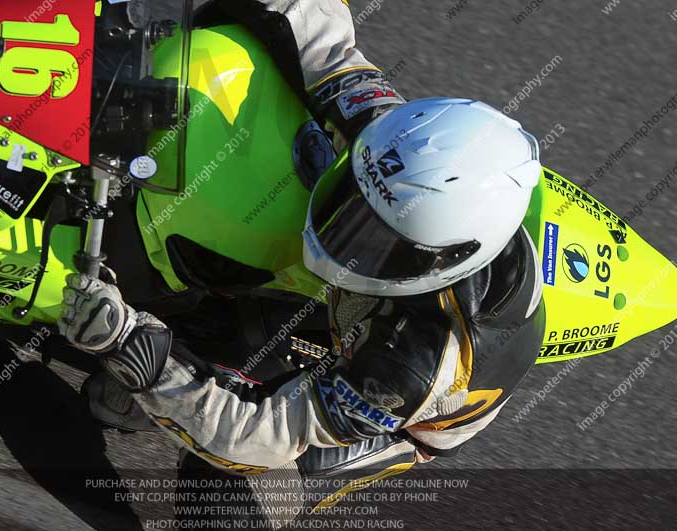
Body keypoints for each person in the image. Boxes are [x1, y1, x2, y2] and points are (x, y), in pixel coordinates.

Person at [59, 1, 546, 527]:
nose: (348, 234)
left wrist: (134, 353)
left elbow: (256, 437)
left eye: (376, 241)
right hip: (344, 305)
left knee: (241, 479)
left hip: (390, 409)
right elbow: (323, 43)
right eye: (352, 201)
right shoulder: (392, 148)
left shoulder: (408, 369)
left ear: (442, 261)